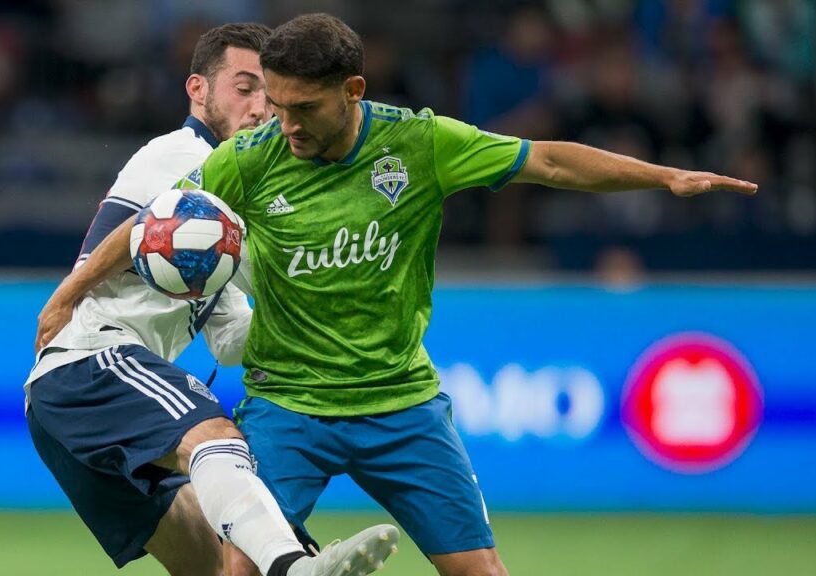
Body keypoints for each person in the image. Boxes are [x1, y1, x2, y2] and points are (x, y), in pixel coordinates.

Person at [39, 13, 757, 576]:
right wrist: (71, 291)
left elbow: (547, 162)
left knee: (479, 568)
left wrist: (663, 176)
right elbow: (153, 225)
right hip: (289, 404)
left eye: (302, 108)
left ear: (353, 92)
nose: (283, 124)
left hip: (400, 402)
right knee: (242, 566)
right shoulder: (247, 158)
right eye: (273, 103)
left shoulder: (419, 145)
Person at [27, 23, 399, 576]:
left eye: (268, 95)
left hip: (92, 410)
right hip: (90, 366)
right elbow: (137, 234)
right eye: (243, 88)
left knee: (222, 566)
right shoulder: (176, 156)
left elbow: (227, 341)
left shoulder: (227, 213)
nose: (260, 108)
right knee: (217, 437)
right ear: (197, 89)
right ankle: (297, 566)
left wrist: (299, 328)